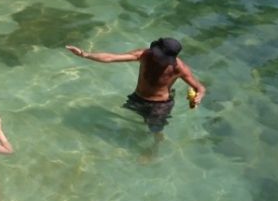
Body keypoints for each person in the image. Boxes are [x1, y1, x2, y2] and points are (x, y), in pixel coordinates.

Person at [65, 37, 205, 136]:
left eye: (161, 57)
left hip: (159, 105)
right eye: (157, 54)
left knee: (155, 131)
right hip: (137, 97)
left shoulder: (179, 68)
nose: (156, 58)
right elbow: (111, 58)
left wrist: (199, 96)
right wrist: (84, 54)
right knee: (123, 116)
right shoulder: (145, 55)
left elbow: (200, 88)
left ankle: (153, 149)